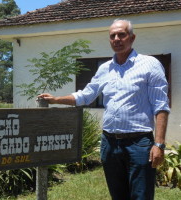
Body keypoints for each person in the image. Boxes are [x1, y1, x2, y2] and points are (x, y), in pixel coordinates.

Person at [38, 19, 170, 200]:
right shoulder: (104, 69)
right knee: (118, 196)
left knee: (141, 196)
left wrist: (159, 144)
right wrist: (55, 99)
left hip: (139, 144)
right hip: (109, 144)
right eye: (112, 36)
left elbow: (161, 106)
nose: (117, 39)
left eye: (121, 34)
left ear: (132, 37)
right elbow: (85, 95)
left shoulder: (150, 65)